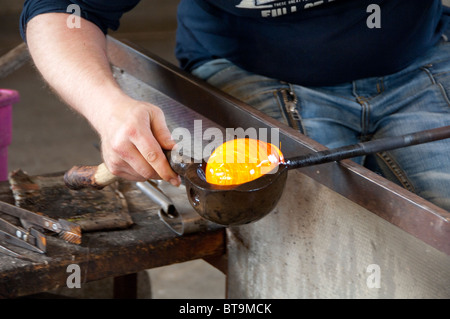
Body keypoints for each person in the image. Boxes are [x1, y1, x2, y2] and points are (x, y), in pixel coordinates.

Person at [20, 0, 450, 211]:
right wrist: (107, 107)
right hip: (251, 67)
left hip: (419, 57)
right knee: (314, 217)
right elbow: (61, 11)